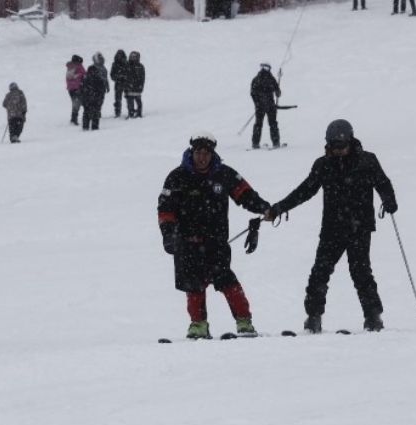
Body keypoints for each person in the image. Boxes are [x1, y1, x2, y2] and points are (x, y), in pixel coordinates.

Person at [265, 119, 398, 333]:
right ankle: (313, 317)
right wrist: (279, 208)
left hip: (360, 227)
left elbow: (383, 182)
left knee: (360, 271)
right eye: (334, 147)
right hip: (332, 228)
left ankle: (373, 317)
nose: (338, 152)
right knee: (320, 271)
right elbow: (305, 190)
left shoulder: (367, 161)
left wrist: (389, 200)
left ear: (351, 141)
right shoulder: (323, 165)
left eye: (342, 147)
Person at [157, 132, 271, 339]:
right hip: (187, 243)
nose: (203, 157)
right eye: (199, 152)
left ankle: (244, 322)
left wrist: (264, 208)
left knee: (227, 281)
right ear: (192, 152)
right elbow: (165, 209)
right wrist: (168, 235)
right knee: (194, 286)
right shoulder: (177, 177)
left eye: (207, 153)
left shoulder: (224, 174)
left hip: (216, 242)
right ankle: (198, 325)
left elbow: (245, 195)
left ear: (212, 154)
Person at [250, 63, 281, 149]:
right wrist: (258, 103)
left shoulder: (269, 79)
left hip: (267, 106)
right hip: (264, 107)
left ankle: (274, 142)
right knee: (262, 124)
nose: (265, 69)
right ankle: (257, 143)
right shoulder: (259, 79)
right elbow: (253, 93)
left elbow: (277, 89)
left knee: (268, 124)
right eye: (264, 67)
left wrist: (278, 92)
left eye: (266, 67)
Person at [81, 65, 107, 131]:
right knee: (90, 113)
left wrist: (100, 100)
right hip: (91, 99)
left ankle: (89, 127)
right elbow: (82, 90)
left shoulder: (87, 79)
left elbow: (102, 91)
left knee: (91, 113)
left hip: (92, 99)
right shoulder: (87, 79)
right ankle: (89, 127)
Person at [66, 55, 86, 125]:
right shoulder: (78, 66)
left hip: (70, 89)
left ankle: (73, 118)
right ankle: (74, 119)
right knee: (78, 103)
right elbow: (84, 75)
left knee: (75, 103)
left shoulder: (70, 67)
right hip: (77, 88)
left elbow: (69, 77)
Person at [125, 51, 145, 119]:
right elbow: (125, 76)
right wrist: (126, 85)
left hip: (137, 87)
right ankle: (131, 113)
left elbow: (142, 77)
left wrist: (141, 86)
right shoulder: (127, 65)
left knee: (138, 101)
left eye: (134, 56)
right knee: (130, 102)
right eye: (132, 56)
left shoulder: (140, 66)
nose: (133, 58)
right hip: (129, 87)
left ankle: (139, 113)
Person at [109, 50, 128, 118]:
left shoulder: (127, 63)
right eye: (118, 55)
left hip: (126, 83)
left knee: (129, 98)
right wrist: (118, 77)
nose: (119, 57)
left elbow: (129, 73)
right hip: (118, 83)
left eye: (120, 55)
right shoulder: (114, 64)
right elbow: (112, 75)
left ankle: (130, 111)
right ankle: (117, 112)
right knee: (117, 99)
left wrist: (125, 77)